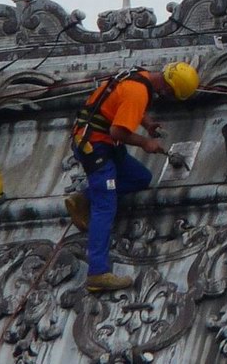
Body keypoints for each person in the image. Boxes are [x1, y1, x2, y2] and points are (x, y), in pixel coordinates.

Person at [65, 61, 200, 292]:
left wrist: (147, 123)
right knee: (105, 206)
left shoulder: (140, 76)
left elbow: (124, 105)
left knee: (140, 177)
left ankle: (84, 198)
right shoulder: (139, 92)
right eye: (170, 95)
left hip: (104, 142)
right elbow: (117, 131)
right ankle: (97, 273)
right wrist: (146, 142)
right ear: (168, 89)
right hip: (95, 147)